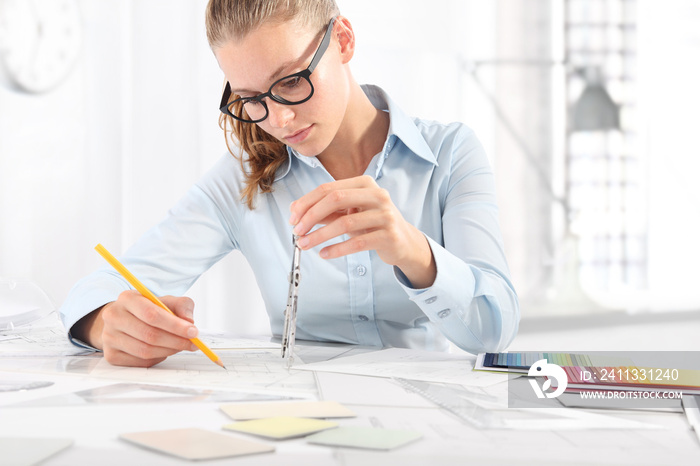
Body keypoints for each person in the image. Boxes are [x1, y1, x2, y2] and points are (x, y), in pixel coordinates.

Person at [60, 0, 520, 368]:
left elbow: (493, 331)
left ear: (342, 40)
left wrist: (414, 252)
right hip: (301, 428)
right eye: (251, 99)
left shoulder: (451, 153)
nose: (278, 119)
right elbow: (98, 286)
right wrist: (105, 325)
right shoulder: (245, 178)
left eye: (293, 81)